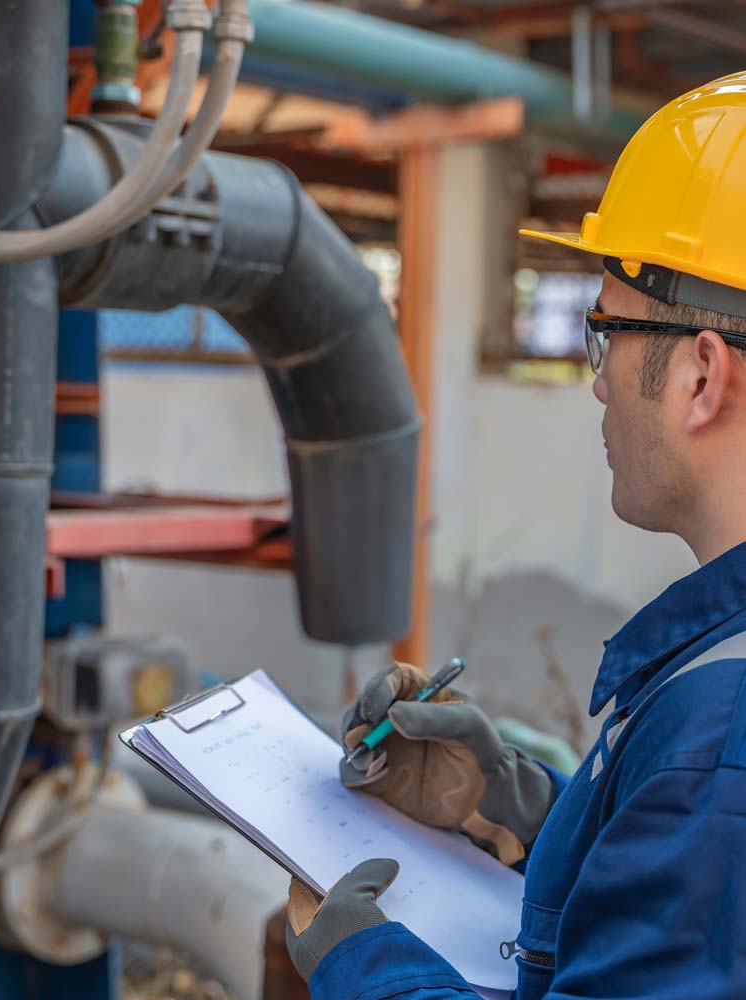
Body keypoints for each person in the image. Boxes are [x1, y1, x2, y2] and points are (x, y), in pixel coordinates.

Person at [285, 72, 746, 1000]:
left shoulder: (719, 739)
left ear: (701, 375)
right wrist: (513, 805)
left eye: (604, 330)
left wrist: (362, 962)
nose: (598, 381)